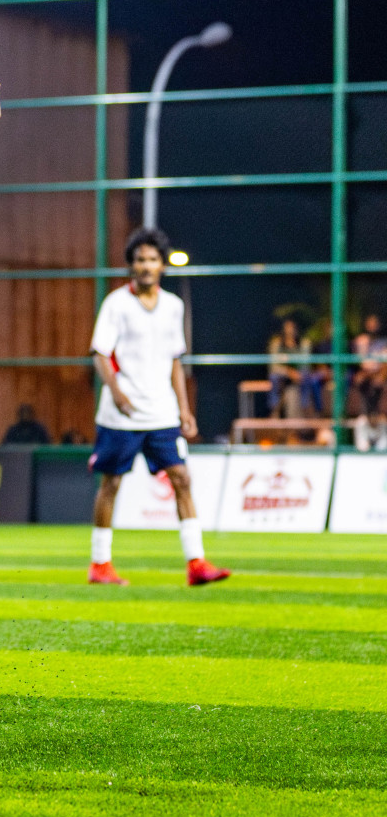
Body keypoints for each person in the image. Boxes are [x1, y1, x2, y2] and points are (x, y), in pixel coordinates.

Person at [88, 227, 231, 588]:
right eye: (139, 260)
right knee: (112, 483)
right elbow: (100, 354)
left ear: (162, 265)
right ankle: (100, 565)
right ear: (131, 266)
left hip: (162, 412)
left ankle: (196, 563)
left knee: (182, 478)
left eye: (152, 259)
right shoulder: (116, 304)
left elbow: (174, 362)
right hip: (121, 415)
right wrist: (118, 394)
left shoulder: (173, 306)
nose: (146, 266)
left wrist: (184, 408)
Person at [268, 317, 323, 417]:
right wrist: (289, 372)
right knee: (274, 377)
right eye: (288, 328)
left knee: (308, 377)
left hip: (300, 374)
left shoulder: (304, 343)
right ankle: (274, 409)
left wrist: (297, 374)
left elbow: (306, 364)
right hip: (284, 375)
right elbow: (274, 366)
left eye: (292, 328)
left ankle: (305, 408)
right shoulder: (277, 343)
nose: (290, 331)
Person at [351, 314, 387, 451]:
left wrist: (379, 373)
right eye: (370, 322)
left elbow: (383, 366)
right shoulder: (362, 340)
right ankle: (368, 416)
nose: (373, 325)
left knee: (378, 383)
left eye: (375, 322)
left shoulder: (383, 341)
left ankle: (374, 416)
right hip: (367, 378)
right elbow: (362, 364)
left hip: (379, 377)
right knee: (362, 381)